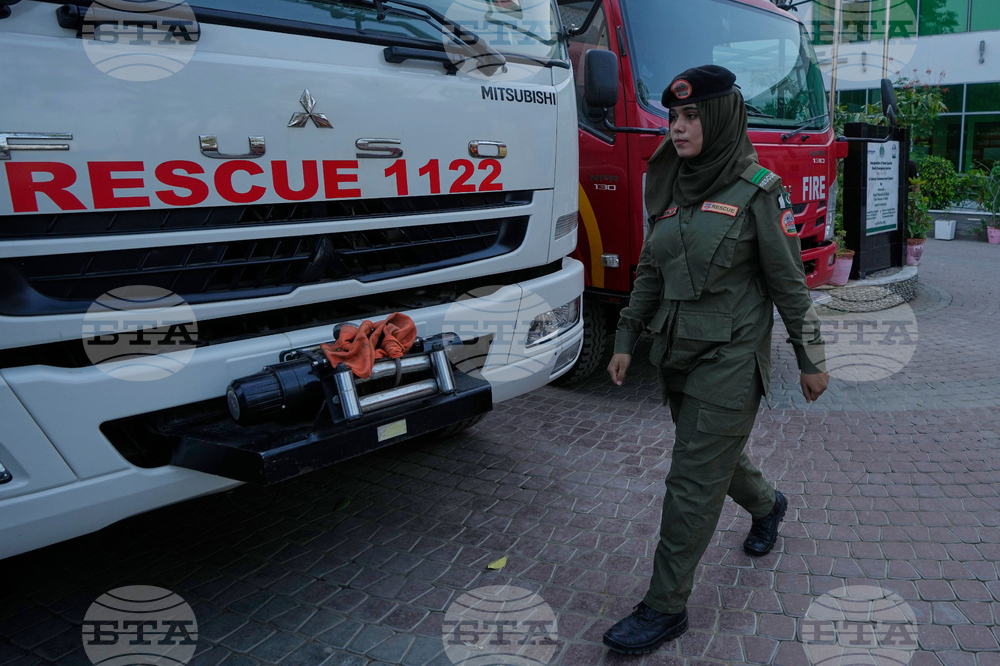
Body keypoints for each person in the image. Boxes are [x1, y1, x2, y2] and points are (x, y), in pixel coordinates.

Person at [602, 64, 830, 655]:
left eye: (691, 116)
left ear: (721, 117)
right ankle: (768, 503)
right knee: (714, 458)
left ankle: (664, 606)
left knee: (691, 481)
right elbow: (651, 271)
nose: (677, 127)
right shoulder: (674, 186)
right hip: (676, 354)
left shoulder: (758, 191)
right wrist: (625, 339)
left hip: (731, 361)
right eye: (673, 116)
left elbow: (790, 286)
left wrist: (811, 356)